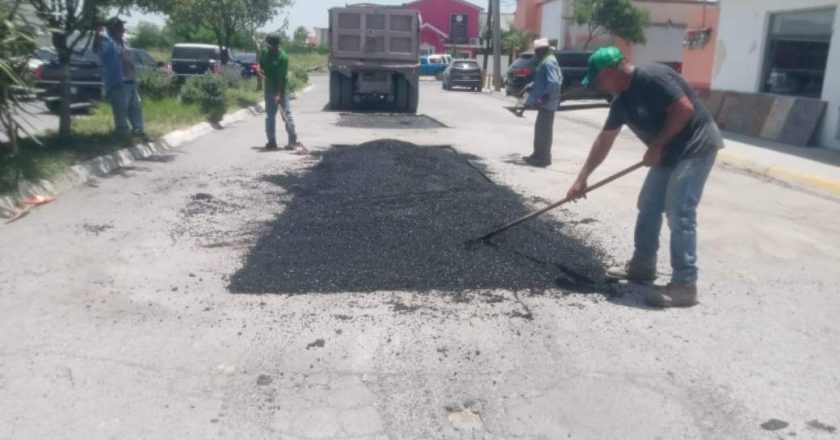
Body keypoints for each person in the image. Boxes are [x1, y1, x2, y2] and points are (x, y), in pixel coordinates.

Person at [566, 46, 724, 308]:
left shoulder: (651, 76)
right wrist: (582, 178)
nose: (598, 86)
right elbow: (605, 140)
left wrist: (657, 145)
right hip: (667, 152)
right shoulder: (621, 102)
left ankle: (685, 285)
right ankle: (642, 267)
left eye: (598, 80)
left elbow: (683, 109)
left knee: (679, 211)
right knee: (648, 205)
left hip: (696, 147)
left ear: (610, 71)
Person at [94, 17, 145, 137]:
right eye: (121, 26)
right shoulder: (107, 41)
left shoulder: (124, 41)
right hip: (118, 82)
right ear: (114, 28)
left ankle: (138, 130)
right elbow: (98, 49)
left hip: (131, 81)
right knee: (121, 109)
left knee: (135, 107)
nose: (123, 28)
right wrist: (96, 33)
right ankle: (122, 134)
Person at [522, 38, 563, 167]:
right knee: (540, 129)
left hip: (547, 102)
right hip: (546, 103)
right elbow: (541, 80)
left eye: (537, 51)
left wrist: (543, 98)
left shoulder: (548, 62)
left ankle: (543, 158)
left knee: (544, 131)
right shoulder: (545, 61)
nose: (536, 54)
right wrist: (528, 86)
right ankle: (537, 154)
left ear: (542, 50)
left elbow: (554, 82)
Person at [259, 34, 298, 150]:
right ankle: (271, 141)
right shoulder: (265, 52)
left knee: (286, 114)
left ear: (275, 45)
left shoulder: (283, 57)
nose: (270, 47)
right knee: (270, 116)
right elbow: (261, 63)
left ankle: (292, 140)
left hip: (281, 89)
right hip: (268, 88)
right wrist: (260, 69)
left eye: (271, 45)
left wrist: (278, 94)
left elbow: (281, 78)